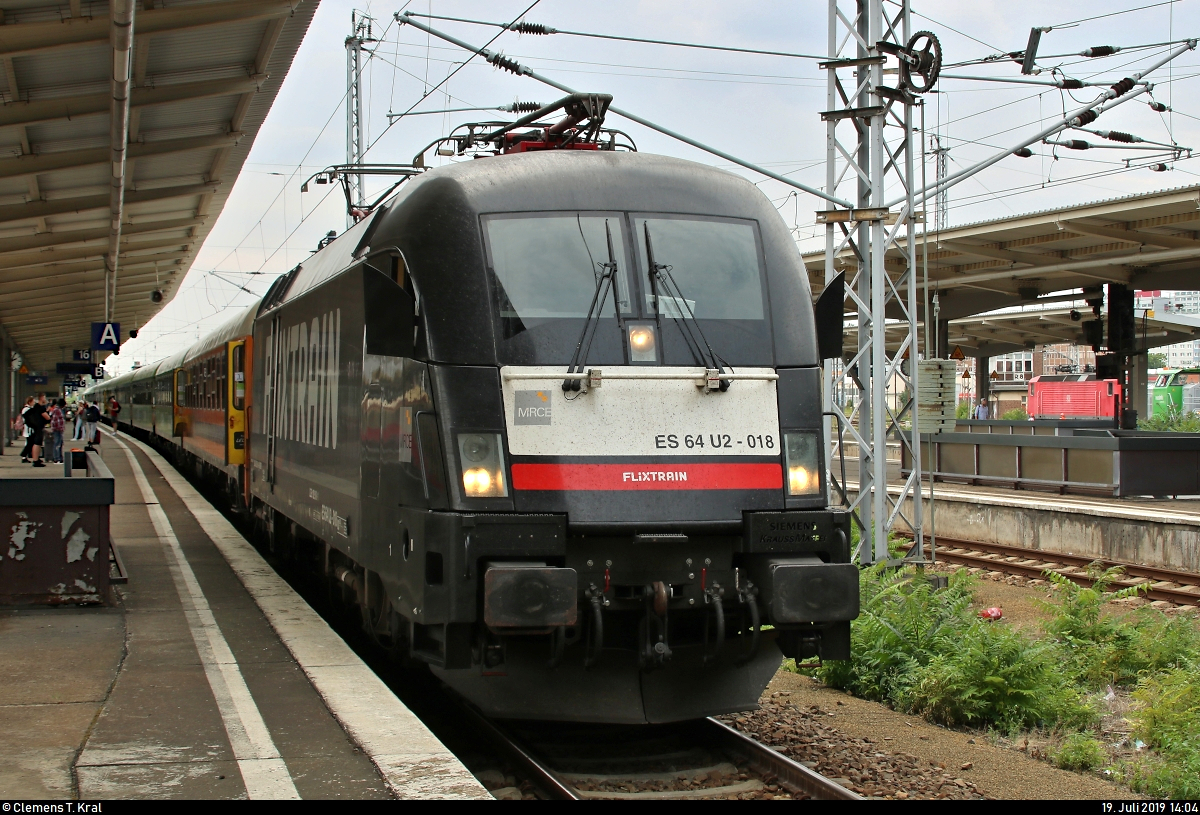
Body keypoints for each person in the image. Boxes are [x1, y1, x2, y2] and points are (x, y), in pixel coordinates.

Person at [24, 393, 50, 467]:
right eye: (44, 397)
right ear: (41, 398)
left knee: (36, 443)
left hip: (35, 427)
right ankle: (35, 461)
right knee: (37, 444)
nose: (45, 399)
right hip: (38, 427)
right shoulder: (39, 407)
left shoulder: (36, 407)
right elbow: (47, 417)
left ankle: (36, 459)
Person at [48, 398, 65, 464]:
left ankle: (59, 458)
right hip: (57, 430)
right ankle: (57, 459)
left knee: (59, 443)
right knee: (57, 444)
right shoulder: (57, 410)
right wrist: (59, 428)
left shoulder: (57, 410)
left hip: (58, 429)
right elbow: (55, 420)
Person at [16, 396, 32, 461]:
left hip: (28, 428)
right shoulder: (27, 409)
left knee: (28, 442)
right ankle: (24, 454)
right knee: (29, 442)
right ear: (30, 402)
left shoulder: (25, 409)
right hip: (28, 428)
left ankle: (24, 456)